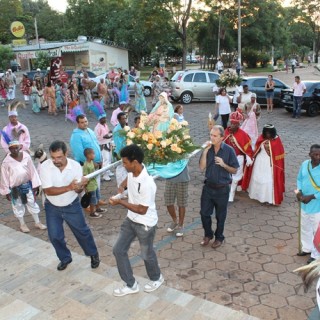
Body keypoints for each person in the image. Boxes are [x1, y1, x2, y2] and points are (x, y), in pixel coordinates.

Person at [110, 144, 164, 296]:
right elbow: (127, 181)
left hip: (145, 223)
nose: (123, 165)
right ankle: (131, 284)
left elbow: (142, 209)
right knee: (118, 250)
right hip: (130, 220)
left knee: (146, 254)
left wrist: (120, 202)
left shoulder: (148, 183)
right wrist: (121, 188)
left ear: (134, 162)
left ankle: (157, 277)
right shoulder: (132, 172)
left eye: (125, 162)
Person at [40, 140, 100, 271]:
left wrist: (81, 186)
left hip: (72, 205)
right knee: (54, 236)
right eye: (53, 157)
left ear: (66, 153)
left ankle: (93, 253)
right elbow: (48, 190)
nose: (56, 161)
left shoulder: (75, 166)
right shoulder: (45, 166)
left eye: (59, 157)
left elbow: (77, 190)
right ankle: (65, 258)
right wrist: (69, 187)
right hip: (52, 206)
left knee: (82, 232)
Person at [199, 125, 239, 248]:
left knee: (220, 216)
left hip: (222, 188)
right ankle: (208, 234)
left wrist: (223, 164)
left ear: (222, 137)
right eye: (211, 135)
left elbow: (234, 170)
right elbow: (201, 167)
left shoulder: (229, 150)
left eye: (215, 136)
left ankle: (219, 237)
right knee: (204, 213)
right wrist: (205, 150)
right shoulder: (208, 149)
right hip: (208, 187)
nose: (212, 137)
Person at [0, 140, 46, 233]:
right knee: (17, 205)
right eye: (12, 148)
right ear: (9, 149)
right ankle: (22, 224)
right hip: (14, 188)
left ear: (20, 147)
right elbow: (4, 177)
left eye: (16, 147)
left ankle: (37, 222)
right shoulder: (6, 162)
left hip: (27, 185)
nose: (14, 150)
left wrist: (35, 184)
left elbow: (32, 170)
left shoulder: (26, 156)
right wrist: (6, 192)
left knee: (32, 202)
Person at [242, 124, 285, 206]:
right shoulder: (261, 138)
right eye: (266, 133)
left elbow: (279, 153)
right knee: (258, 177)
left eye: (269, 133)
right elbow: (257, 149)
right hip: (260, 161)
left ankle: (268, 199)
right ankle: (257, 196)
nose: (268, 134)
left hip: (270, 164)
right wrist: (252, 157)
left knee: (268, 180)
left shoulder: (277, 140)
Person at [295, 144, 320, 264]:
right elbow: (299, 179)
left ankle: (316, 255)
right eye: (315, 154)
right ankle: (306, 248)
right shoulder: (305, 164)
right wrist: (299, 191)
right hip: (304, 203)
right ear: (310, 154)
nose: (318, 157)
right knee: (305, 226)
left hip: (317, 205)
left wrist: (312, 196)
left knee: (317, 231)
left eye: (319, 154)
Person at [224, 111, 253, 202]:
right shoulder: (226, 131)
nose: (231, 125)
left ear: (238, 125)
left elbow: (247, 148)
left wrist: (248, 156)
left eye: (234, 124)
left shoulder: (243, 135)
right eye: (231, 123)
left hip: (238, 158)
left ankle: (231, 193)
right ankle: (226, 190)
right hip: (227, 158)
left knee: (236, 176)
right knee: (226, 175)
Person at [165, 165, 190, 237]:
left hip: (183, 178)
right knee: (168, 202)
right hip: (170, 178)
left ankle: (181, 225)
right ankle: (175, 221)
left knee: (181, 203)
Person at [82, 148, 105, 218]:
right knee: (92, 200)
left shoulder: (92, 162)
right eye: (93, 154)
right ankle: (92, 212)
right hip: (90, 186)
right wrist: (85, 187)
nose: (94, 155)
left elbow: (95, 167)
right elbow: (85, 177)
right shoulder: (85, 165)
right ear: (88, 155)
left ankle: (98, 208)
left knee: (97, 197)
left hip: (94, 184)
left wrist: (99, 165)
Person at [93, 108, 114, 181]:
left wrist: (109, 132)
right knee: (105, 159)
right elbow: (96, 137)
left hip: (108, 143)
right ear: (99, 119)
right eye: (103, 118)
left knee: (109, 159)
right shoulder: (97, 127)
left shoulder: (105, 125)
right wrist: (104, 136)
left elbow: (107, 132)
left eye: (105, 118)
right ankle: (105, 174)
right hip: (103, 145)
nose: (105, 119)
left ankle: (108, 171)